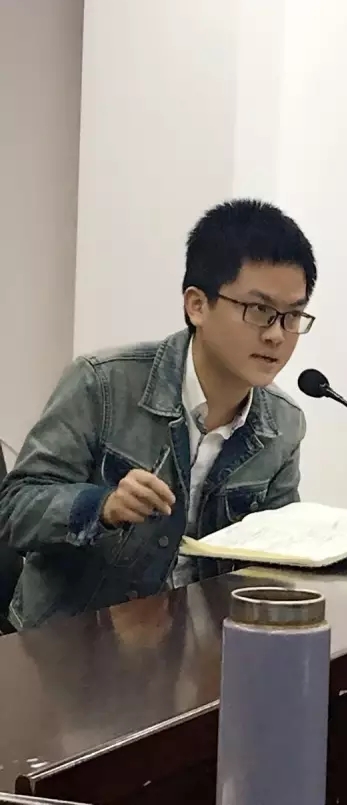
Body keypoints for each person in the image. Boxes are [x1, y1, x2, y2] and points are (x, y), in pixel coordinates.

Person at [0, 199, 317, 629]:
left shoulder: (283, 424)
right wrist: (102, 506)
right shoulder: (102, 384)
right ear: (197, 305)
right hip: (72, 645)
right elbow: (14, 509)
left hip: (201, 647)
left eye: (293, 315)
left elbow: (275, 554)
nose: (277, 335)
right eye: (259, 311)